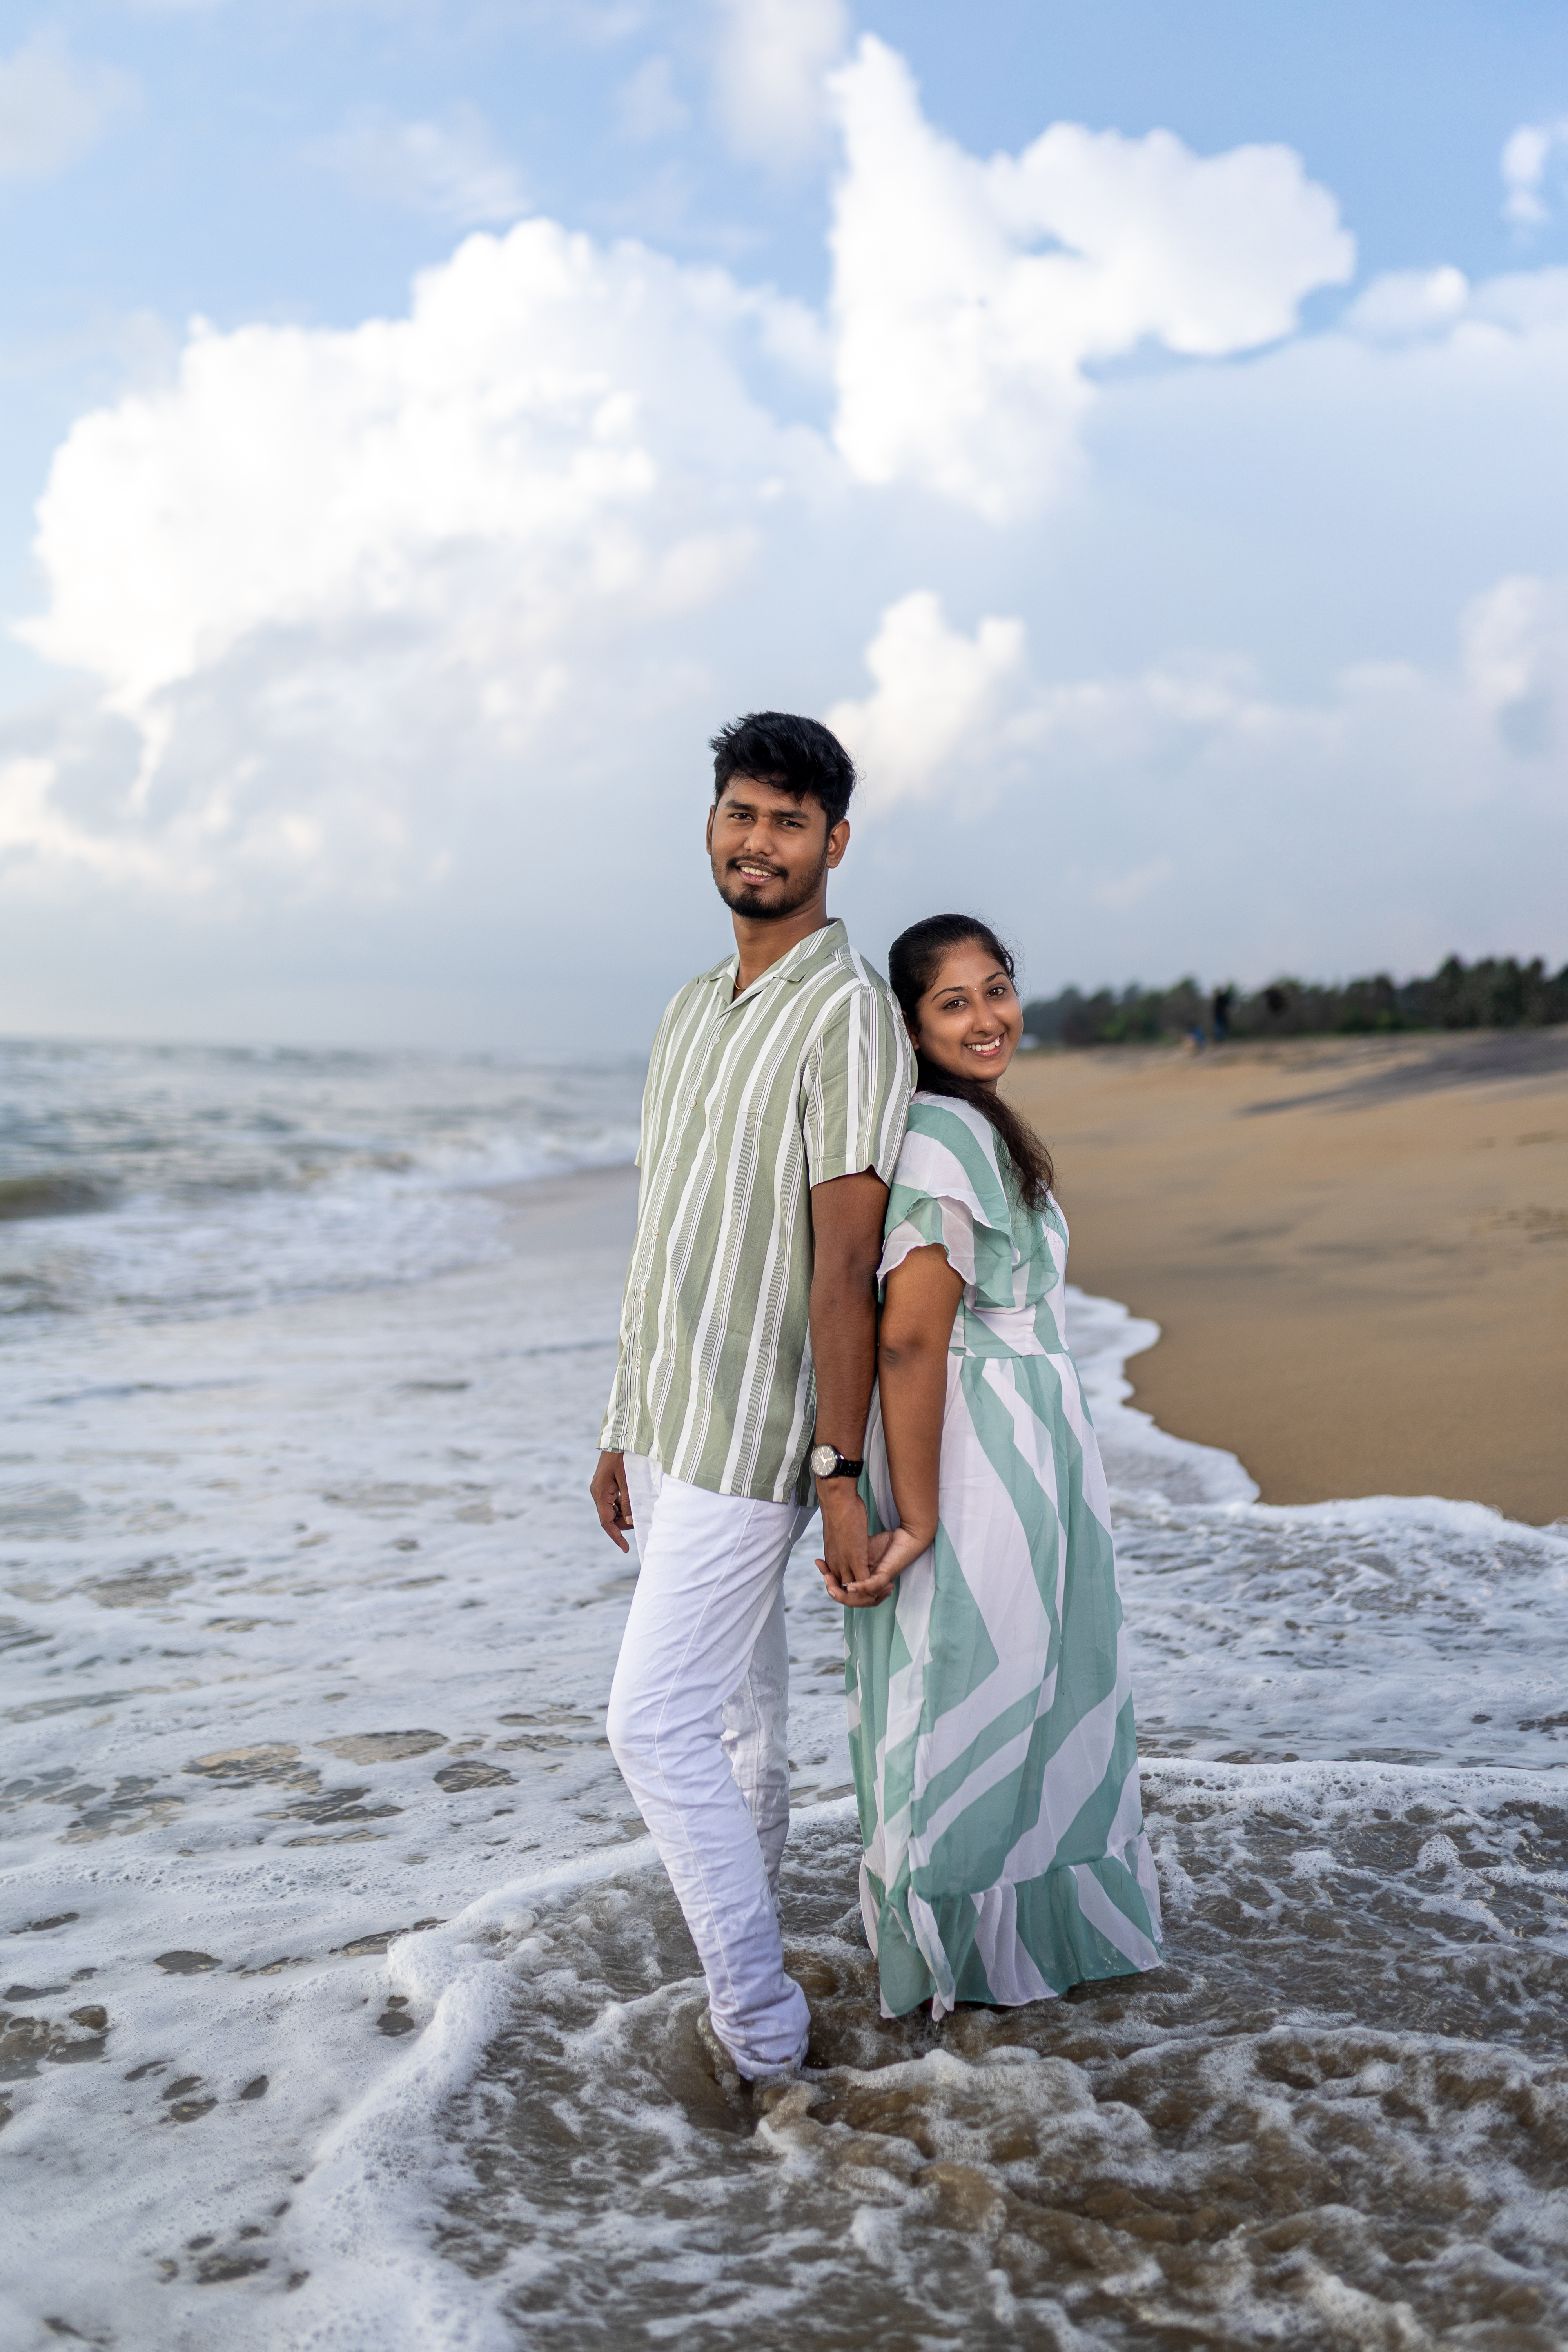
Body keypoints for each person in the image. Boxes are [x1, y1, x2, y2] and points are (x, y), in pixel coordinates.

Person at [590, 713, 914, 2083]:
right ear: (711, 829)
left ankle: (759, 2025)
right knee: (735, 1724)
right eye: (741, 813)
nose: (759, 841)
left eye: (790, 821)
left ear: (835, 843)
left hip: (753, 1436)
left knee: (647, 1722)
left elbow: (848, 1262)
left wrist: (838, 1471)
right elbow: (663, 1226)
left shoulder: (849, 1015)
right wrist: (619, 1415)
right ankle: (758, 1978)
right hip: (666, 1422)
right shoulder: (685, 1009)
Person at [819, 914, 1163, 2021]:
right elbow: (912, 1338)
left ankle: (1006, 1948)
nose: (986, 1017)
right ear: (913, 1028)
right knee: (970, 1686)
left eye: (997, 989)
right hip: (972, 1456)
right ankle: (957, 1960)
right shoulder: (940, 1138)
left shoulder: (979, 1122)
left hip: (1024, 1443)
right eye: (953, 1002)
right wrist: (914, 1516)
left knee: (1026, 1689)